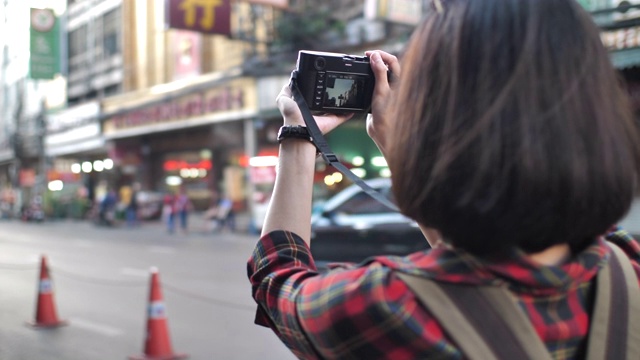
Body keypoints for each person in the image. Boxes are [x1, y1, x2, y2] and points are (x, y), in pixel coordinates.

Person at [246, 0, 640, 359]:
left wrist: (300, 134)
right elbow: (474, 253)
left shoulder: (392, 307)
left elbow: (277, 281)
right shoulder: (627, 262)